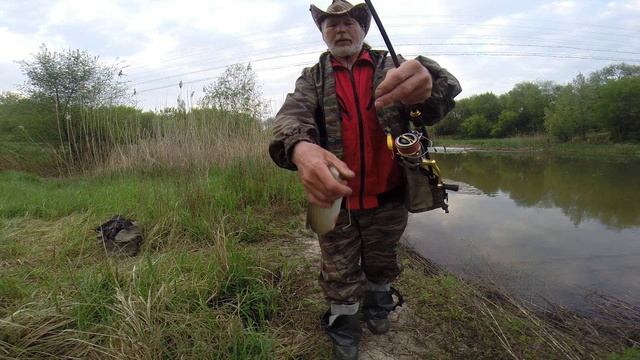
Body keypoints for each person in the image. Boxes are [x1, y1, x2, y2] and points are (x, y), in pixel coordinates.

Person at [269, 1, 461, 358]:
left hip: (388, 196)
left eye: (349, 23)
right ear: (323, 33)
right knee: (338, 272)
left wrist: (430, 80)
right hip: (334, 201)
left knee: (381, 261)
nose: (340, 29)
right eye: (331, 25)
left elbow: (440, 98)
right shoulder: (312, 76)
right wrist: (298, 147)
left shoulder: (394, 65)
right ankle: (344, 327)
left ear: (364, 28)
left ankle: (377, 306)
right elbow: (289, 117)